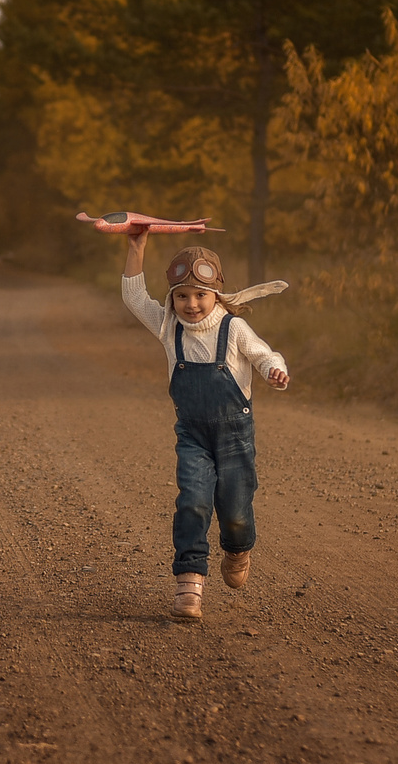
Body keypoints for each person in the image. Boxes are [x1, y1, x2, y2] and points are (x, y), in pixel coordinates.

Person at [120, 227, 290, 620]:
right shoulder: (167, 328)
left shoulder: (234, 329)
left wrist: (273, 371)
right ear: (172, 299)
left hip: (234, 436)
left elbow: (265, 355)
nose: (191, 304)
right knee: (192, 503)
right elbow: (132, 297)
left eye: (200, 295)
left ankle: (237, 547)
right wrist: (136, 247)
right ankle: (189, 584)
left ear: (216, 294)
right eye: (182, 296)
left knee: (235, 510)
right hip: (193, 433)